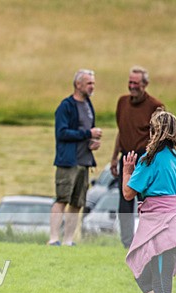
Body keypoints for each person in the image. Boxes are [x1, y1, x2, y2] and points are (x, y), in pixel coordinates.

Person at [122, 110, 176, 293]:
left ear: (156, 132)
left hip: (163, 228)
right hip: (168, 224)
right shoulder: (175, 157)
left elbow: (128, 194)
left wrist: (127, 171)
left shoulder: (150, 159)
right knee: (143, 276)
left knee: (162, 284)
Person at [110, 66, 164, 249]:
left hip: (145, 159)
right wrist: (113, 157)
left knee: (146, 200)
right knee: (124, 200)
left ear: (145, 84)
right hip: (126, 156)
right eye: (130, 82)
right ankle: (127, 243)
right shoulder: (122, 102)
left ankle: (147, 239)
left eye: (136, 83)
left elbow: (160, 137)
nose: (132, 86)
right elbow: (121, 131)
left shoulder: (155, 106)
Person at [48, 69, 103, 246]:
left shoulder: (88, 105)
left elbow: (85, 133)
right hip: (68, 162)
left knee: (77, 202)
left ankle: (68, 240)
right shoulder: (66, 106)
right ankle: (53, 238)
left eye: (93, 83)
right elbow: (62, 133)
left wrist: (92, 142)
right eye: (89, 83)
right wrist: (88, 133)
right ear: (78, 84)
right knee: (62, 198)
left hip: (84, 161)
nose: (92, 86)